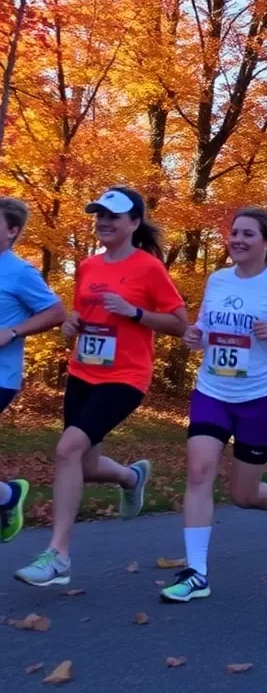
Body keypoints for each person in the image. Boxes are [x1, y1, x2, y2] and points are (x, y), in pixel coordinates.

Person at [15, 188, 187, 587]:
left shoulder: (149, 269)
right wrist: (71, 325)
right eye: (99, 215)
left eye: (114, 216)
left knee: (66, 450)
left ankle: (57, 555)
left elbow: (180, 324)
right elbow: (83, 315)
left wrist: (136, 313)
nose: (104, 222)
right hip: (83, 371)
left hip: (125, 377)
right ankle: (131, 478)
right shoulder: (89, 266)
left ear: (134, 223)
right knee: (86, 464)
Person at [161, 209, 267, 603]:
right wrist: (196, 337)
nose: (237, 239)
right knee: (199, 472)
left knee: (243, 495)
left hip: (262, 398)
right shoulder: (217, 279)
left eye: (247, 234)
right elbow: (205, 328)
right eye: (233, 232)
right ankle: (196, 572)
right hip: (212, 390)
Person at [0, 198, 66, 543]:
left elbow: (56, 313)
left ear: (12, 231)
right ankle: (7, 497)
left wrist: (12, 331)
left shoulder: (20, 272)